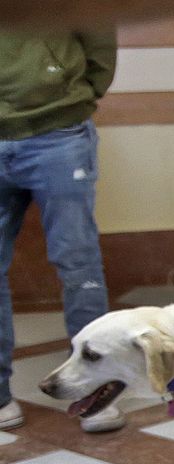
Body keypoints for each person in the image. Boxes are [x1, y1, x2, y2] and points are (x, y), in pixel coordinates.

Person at [0, 28, 120, 433]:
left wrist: (71, 93)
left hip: (59, 133)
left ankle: (95, 394)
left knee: (78, 263)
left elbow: (96, 29)